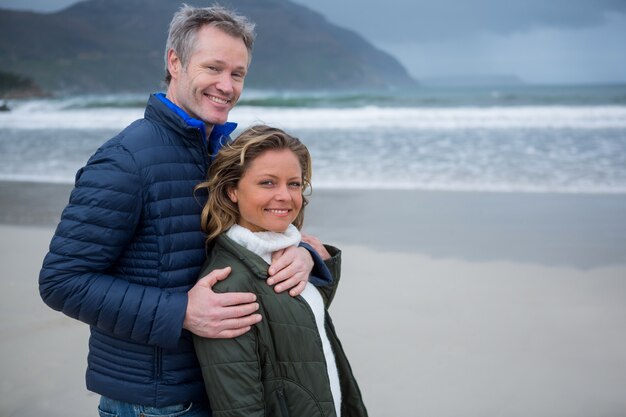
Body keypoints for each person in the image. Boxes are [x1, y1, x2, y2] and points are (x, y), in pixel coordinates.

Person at [38, 5, 338, 417]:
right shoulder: (126, 160)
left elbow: (249, 241)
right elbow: (62, 281)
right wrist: (181, 311)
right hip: (155, 403)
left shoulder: (218, 153)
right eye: (213, 68)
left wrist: (307, 255)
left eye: (238, 74)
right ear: (175, 62)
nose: (227, 86)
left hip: (218, 388)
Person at [193, 125, 368, 417]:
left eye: (294, 184)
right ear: (232, 190)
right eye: (267, 183)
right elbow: (240, 410)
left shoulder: (288, 255)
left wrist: (315, 259)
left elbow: (298, 329)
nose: (285, 196)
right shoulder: (230, 284)